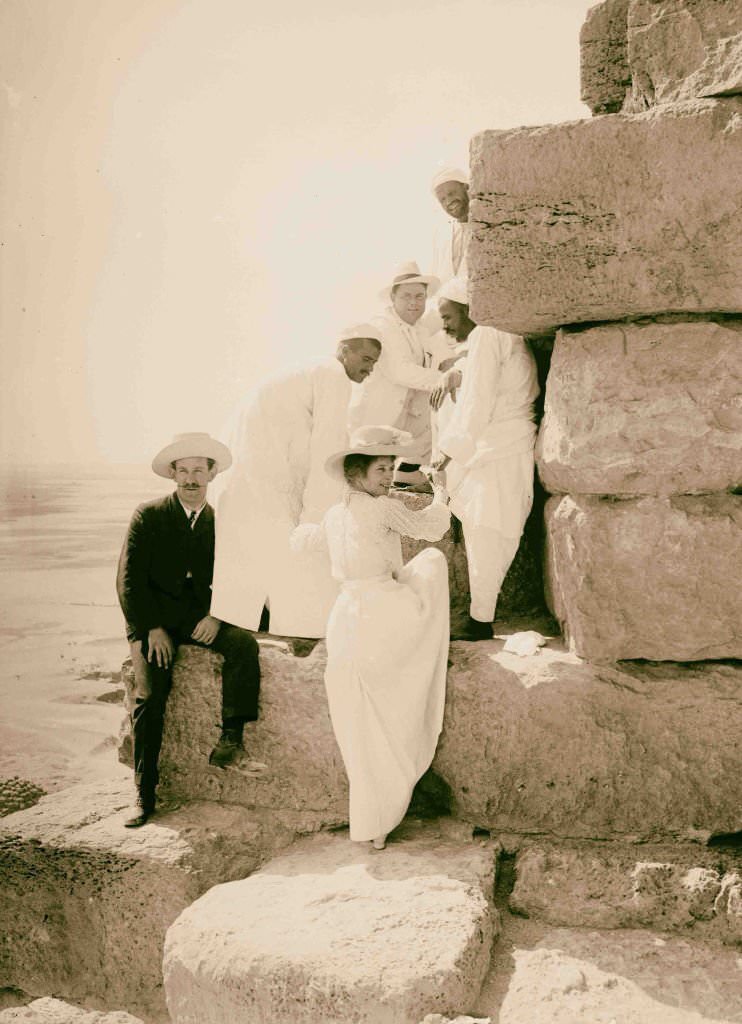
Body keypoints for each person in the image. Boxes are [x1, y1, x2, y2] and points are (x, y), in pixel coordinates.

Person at [292, 425, 452, 849]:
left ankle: (371, 820)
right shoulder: (379, 510)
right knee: (433, 563)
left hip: (345, 618)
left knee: (358, 720)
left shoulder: (335, 513)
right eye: (382, 469)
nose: (388, 477)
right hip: (381, 612)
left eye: (391, 468)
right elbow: (433, 529)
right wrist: (442, 492)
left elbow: (306, 545)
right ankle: (380, 815)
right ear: (358, 473)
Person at [116, 432, 262, 828]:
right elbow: (128, 582)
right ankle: (144, 795)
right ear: (173, 475)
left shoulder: (220, 521)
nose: (191, 479)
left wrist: (218, 616)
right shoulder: (149, 515)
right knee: (149, 695)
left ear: (212, 474)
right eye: (183, 471)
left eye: (199, 470)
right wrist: (150, 629)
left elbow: (237, 578)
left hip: (201, 621)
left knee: (244, 647)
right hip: (153, 624)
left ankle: (230, 741)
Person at [211, 327, 381, 638]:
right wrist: (318, 517)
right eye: (366, 358)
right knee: (297, 547)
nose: (370, 369)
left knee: (255, 547)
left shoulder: (307, 369)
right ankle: (299, 624)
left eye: (375, 363)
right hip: (268, 471)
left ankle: (253, 618)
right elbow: (327, 450)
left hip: (248, 468)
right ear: (344, 350)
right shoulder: (333, 375)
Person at [432, 282, 540, 640]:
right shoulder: (505, 335)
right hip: (507, 445)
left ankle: (480, 621)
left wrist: (447, 451)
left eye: (447, 316)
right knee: (493, 530)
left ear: (468, 310)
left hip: (500, 448)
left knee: (488, 531)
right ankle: (480, 615)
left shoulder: (487, 336)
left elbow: (478, 401)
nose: (445, 326)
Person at [349, 262, 459, 488]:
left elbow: (443, 358)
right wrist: (443, 380)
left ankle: (407, 473)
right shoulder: (384, 326)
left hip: (403, 417)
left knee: (443, 407)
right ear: (393, 297)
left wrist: (460, 366)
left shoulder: (420, 329)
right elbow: (401, 371)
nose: (414, 303)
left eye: (420, 296)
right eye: (407, 296)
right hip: (376, 414)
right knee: (365, 478)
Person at [430, 165, 471, 285]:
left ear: (466, 188)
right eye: (442, 199)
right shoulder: (440, 236)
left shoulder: (487, 226)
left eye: (452, 193)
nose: (448, 202)